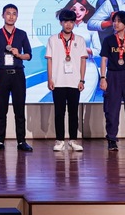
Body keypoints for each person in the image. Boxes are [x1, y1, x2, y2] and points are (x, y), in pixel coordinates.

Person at [0, 4, 33, 152]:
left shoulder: (22, 34)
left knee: (19, 110)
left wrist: (18, 55)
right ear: (3, 15)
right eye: (8, 13)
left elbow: (29, 55)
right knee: (1, 110)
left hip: (18, 74)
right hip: (1, 74)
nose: (11, 16)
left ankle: (21, 141)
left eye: (14, 13)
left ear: (17, 16)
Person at [99, 11, 125, 151]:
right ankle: (112, 140)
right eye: (114, 21)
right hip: (113, 76)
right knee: (111, 110)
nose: (115, 24)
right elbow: (104, 60)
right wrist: (103, 78)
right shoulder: (108, 40)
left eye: (119, 21)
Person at [46, 10, 88, 152]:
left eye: (71, 22)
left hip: (74, 82)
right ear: (61, 23)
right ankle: (59, 140)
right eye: (65, 22)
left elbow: (83, 61)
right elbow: (49, 61)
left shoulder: (80, 40)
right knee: (59, 113)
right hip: (58, 82)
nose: (68, 25)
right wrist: (50, 79)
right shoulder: (53, 39)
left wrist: (82, 80)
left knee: (73, 112)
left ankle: (73, 140)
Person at [59, 0, 101, 102]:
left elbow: (98, 50)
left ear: (87, 11)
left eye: (82, 9)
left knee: (85, 100)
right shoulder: (64, 30)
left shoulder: (91, 28)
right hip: (68, 68)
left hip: (88, 69)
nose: (78, 12)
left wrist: (84, 50)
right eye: (74, 9)